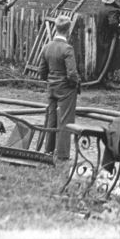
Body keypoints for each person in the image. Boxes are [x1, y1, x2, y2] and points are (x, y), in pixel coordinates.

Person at [39, 16, 80, 161]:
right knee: (65, 120)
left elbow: (42, 71)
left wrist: (50, 81)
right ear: (68, 31)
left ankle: (48, 150)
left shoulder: (47, 47)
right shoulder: (67, 48)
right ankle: (62, 154)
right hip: (65, 90)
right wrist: (74, 84)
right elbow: (72, 73)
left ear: (56, 28)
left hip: (51, 87)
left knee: (51, 118)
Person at [95, 0, 120, 86]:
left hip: (101, 36)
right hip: (109, 38)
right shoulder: (112, 10)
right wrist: (118, 29)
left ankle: (104, 78)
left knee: (103, 57)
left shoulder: (103, 8)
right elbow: (112, 24)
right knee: (110, 57)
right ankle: (108, 81)